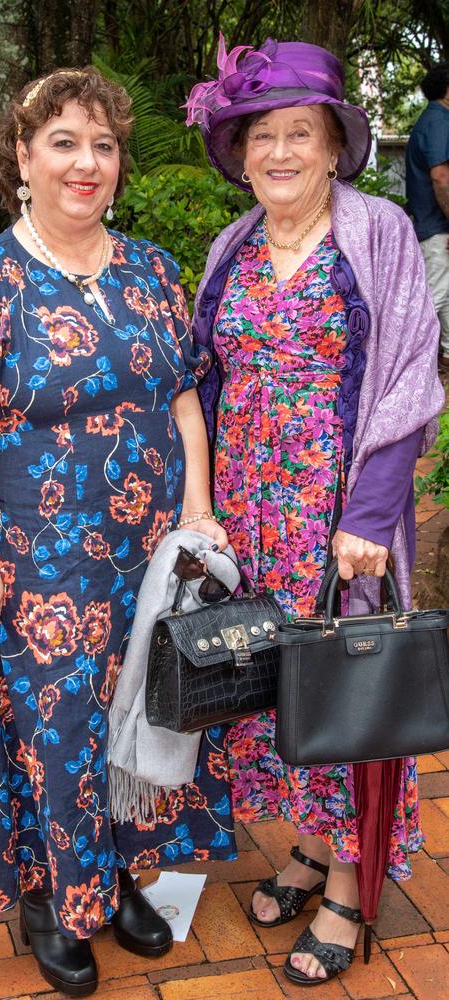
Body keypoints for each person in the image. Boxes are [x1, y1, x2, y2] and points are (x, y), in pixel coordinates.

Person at [0, 67, 233, 998]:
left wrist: (196, 515)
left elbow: (182, 398)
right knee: (51, 732)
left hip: (139, 563)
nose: (88, 164)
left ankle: (118, 873)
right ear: (23, 160)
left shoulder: (153, 270)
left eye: (104, 145)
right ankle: (49, 898)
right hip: (32, 570)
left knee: (131, 719)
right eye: (64, 143)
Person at [185, 38, 444, 987]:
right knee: (275, 689)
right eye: (264, 136)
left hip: (335, 514)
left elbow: (411, 374)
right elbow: (206, 381)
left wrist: (371, 518)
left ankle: (345, 881)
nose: (281, 152)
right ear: (242, 153)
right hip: (249, 511)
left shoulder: (375, 233)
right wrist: (200, 499)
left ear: (336, 145)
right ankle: (302, 845)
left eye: (302, 133)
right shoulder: (234, 246)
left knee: (345, 686)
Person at [406, 61, 449, 369]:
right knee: (436, 295)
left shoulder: (433, 119)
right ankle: (414, 365)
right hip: (436, 225)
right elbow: (441, 177)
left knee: (443, 291)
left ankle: (445, 354)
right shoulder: (439, 121)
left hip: (432, 223)